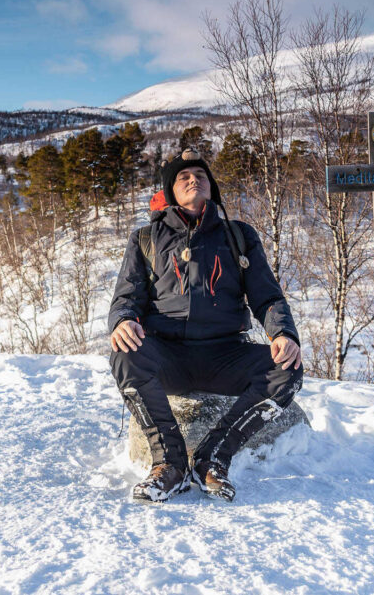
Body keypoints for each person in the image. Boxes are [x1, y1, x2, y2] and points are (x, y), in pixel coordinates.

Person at [109, 148, 303, 503]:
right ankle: (169, 464)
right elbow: (127, 296)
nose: (193, 179)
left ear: (211, 188)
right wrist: (122, 321)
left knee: (287, 369)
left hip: (225, 354)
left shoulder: (239, 236)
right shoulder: (145, 239)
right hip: (167, 354)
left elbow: (268, 297)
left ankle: (213, 457)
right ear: (170, 193)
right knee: (125, 355)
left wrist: (284, 333)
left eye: (200, 175)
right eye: (183, 177)